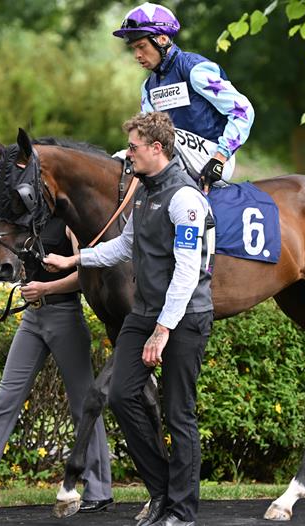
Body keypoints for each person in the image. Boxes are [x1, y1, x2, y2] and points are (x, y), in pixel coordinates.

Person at [45, 112, 214, 526]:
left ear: (157, 149)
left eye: (134, 147)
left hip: (184, 317)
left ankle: (182, 510)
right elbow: (124, 245)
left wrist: (162, 330)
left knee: (179, 413)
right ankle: (161, 493)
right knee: (121, 394)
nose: (128, 154)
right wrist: (77, 258)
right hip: (146, 312)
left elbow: (187, 273)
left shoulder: (185, 199)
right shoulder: (144, 191)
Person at [0, 217, 113, 513]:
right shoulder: (25, 222)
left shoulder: (68, 222)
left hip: (64, 316)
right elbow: (11, 265)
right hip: (32, 319)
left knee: (83, 404)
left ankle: (99, 489)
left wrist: (47, 288)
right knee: (6, 399)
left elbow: (88, 275)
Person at [113, 2, 254, 187]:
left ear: (162, 39)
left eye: (141, 46)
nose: (137, 55)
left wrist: (219, 159)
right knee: (119, 157)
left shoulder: (194, 70)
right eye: (134, 48)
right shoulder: (148, 87)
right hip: (173, 156)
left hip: (213, 158)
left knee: (163, 134)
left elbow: (243, 110)